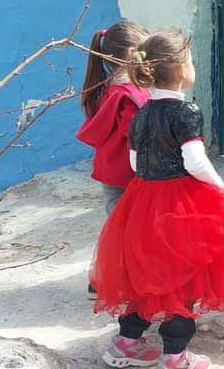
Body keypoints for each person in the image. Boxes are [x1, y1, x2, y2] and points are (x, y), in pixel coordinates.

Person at [92, 31, 224, 369]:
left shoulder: (141, 112)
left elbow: (134, 162)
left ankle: (126, 343)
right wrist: (219, 187)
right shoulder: (186, 111)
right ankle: (175, 355)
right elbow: (195, 161)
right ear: (181, 70)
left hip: (142, 201)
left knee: (146, 278)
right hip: (179, 204)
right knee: (183, 279)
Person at [76, 20, 150, 299]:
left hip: (111, 172)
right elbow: (136, 137)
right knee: (129, 230)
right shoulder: (131, 94)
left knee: (117, 226)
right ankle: (108, 280)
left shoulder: (105, 89)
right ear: (132, 53)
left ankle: (102, 279)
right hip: (131, 174)